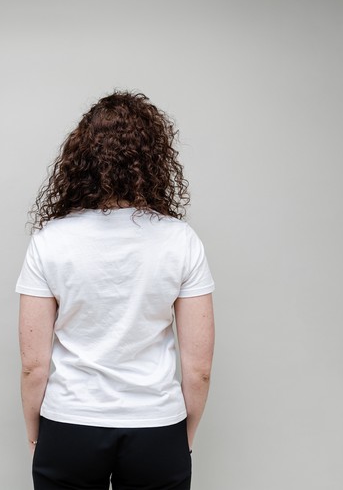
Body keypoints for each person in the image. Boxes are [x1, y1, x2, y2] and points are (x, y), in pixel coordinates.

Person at [15, 90, 215, 490]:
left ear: (82, 159)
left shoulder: (50, 240)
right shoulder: (181, 240)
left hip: (70, 423)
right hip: (156, 426)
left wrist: (36, 432)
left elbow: (33, 365)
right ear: (155, 159)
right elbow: (199, 370)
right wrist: (184, 435)